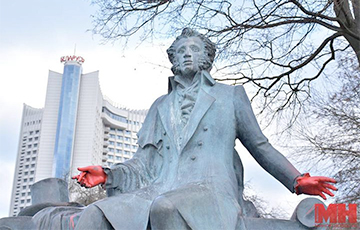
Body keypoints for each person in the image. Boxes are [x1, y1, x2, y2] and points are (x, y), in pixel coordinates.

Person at [71, 28, 337, 230]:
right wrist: (108, 174)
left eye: (195, 49)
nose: (188, 53)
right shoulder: (159, 106)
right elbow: (144, 163)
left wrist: (296, 180)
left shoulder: (230, 96)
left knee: (166, 208)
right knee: (94, 214)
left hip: (211, 190)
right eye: (182, 50)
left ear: (207, 57)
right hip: (158, 188)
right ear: (173, 59)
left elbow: (260, 145)